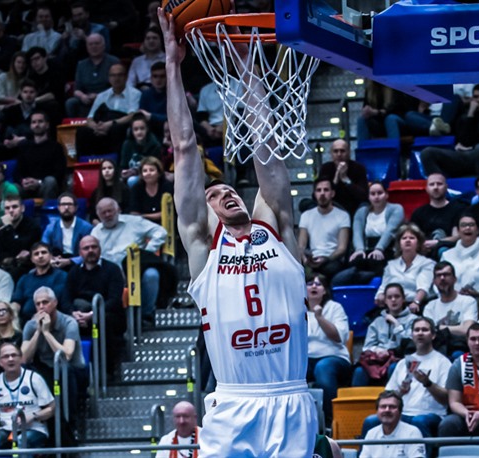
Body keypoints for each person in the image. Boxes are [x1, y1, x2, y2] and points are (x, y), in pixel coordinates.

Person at [160, 8, 317, 456]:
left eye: (231, 189)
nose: (225, 194)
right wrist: (173, 64)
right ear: (203, 215)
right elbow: (184, 147)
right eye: (214, 195)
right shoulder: (203, 249)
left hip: (291, 397)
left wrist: (249, 70)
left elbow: (265, 145)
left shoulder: (275, 225)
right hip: (231, 401)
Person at [361, 317, 450, 440]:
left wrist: (427, 383)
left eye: (424, 330)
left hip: (430, 414)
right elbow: (387, 395)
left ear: (433, 335)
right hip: (402, 413)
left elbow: (447, 398)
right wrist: (400, 392)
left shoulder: (443, 362)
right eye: (416, 330)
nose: (420, 333)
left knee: (419, 421)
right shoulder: (403, 363)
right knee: (371, 421)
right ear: (412, 335)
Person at [91, 197, 166, 324]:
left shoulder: (134, 222)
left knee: (152, 275)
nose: (107, 215)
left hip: (136, 269)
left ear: (118, 210)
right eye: (103, 213)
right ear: (98, 215)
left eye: (110, 211)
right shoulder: (96, 232)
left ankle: (146, 315)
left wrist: (146, 252)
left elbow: (161, 232)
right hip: (110, 275)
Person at [20, 286, 86, 420]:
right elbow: (24, 359)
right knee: (25, 371)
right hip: (46, 368)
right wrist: (38, 332)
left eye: (45, 302)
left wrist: (46, 332)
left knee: (63, 371)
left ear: (55, 302)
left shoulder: (69, 322)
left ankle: (69, 421)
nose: (41, 307)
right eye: (38, 304)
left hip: (72, 369)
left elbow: (66, 356)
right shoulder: (30, 325)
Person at [421, 83, 479, 177]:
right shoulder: (465, 116)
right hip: (465, 155)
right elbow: (464, 141)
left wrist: (474, 147)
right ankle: (439, 184)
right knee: (427, 152)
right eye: (476, 97)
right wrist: (470, 115)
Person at [66, 235, 125, 372]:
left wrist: (93, 314)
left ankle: (108, 371)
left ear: (100, 249)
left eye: (94, 247)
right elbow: (66, 298)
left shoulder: (112, 269)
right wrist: (74, 314)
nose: (90, 250)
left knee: (104, 322)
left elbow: (114, 300)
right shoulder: (74, 272)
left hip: (106, 314)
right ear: (80, 252)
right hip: (80, 314)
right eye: (86, 248)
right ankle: (77, 373)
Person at [0, 343, 55, 453]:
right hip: (7, 430)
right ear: (0, 362)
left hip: (34, 429)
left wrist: (33, 416)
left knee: (21, 441)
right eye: (6, 356)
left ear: (21, 358)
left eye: (14, 355)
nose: (10, 359)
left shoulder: (34, 379)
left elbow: (52, 408)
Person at [332, 181, 404, 286]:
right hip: (366, 248)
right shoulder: (362, 211)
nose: (376, 197)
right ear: (369, 197)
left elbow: (390, 231)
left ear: (386, 195)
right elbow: (357, 232)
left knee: (376, 260)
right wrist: (359, 249)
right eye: (373, 194)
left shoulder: (396, 209)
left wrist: (379, 249)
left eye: (380, 193)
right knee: (356, 261)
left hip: (387, 248)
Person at [306, 273, 350, 426]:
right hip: (306, 359)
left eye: (318, 284)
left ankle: (330, 421)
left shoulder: (334, 308)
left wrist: (319, 318)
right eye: (310, 283)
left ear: (325, 291)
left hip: (334, 357)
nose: (313, 286)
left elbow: (339, 337)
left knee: (323, 368)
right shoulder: (297, 310)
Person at [353, 283, 417, 386]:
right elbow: (367, 347)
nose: (393, 300)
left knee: (394, 368)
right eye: (389, 297)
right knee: (359, 371)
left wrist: (396, 324)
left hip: (399, 358)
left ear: (403, 299)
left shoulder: (413, 320)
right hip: (378, 359)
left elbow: (408, 345)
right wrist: (377, 351)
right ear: (385, 301)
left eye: (397, 296)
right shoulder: (378, 321)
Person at [75, 63, 141, 157]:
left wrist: (111, 124)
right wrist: (96, 127)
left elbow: (132, 115)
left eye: (120, 75)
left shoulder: (135, 94)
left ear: (126, 77)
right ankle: (84, 166)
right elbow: (89, 118)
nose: (116, 78)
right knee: (82, 131)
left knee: (117, 130)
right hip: (102, 126)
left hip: (120, 126)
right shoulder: (102, 96)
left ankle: (117, 166)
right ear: (109, 78)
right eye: (113, 75)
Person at [298, 177, 350, 282]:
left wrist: (326, 259)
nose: (322, 193)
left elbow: (342, 248)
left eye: (326, 190)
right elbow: (301, 245)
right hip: (312, 258)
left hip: (332, 259)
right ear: (315, 194)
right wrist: (305, 259)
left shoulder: (343, 215)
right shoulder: (306, 215)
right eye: (318, 190)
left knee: (331, 269)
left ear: (332, 193)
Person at [374, 223, 435, 312]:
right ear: (399, 244)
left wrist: (416, 302)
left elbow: (423, 287)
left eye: (412, 238)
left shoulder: (427, 263)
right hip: (393, 305)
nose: (408, 240)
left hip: (416, 305)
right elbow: (384, 286)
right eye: (404, 238)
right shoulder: (391, 265)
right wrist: (380, 295)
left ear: (418, 243)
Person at [441, 213, 479, 300]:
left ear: (477, 230)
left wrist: (478, 293)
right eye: (463, 225)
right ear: (458, 231)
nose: (467, 228)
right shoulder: (446, 255)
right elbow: (438, 284)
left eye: (471, 225)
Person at [423, 261, 478, 355]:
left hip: (461, 348)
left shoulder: (468, 301)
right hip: (437, 348)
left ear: (454, 279)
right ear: (434, 281)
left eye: (446, 274)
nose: (442, 278)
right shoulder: (430, 306)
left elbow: (467, 330)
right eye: (439, 275)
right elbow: (428, 333)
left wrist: (438, 327)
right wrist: (457, 328)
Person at [11, 242, 69, 325]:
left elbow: (56, 302)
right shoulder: (25, 279)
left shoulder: (61, 276)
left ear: (50, 256)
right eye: (36, 254)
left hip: (51, 320)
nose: (40, 256)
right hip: (25, 321)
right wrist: (13, 314)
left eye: (44, 252)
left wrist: (38, 317)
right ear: (32, 259)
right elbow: (16, 301)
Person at [410, 173, 466, 257]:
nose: (435, 187)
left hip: (452, 253)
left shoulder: (459, 209)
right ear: (426, 189)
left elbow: (459, 236)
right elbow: (412, 236)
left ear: (446, 187)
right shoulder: (418, 213)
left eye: (439, 184)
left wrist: (438, 242)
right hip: (424, 254)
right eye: (432, 184)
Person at [13, 111, 66, 199]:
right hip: (26, 188)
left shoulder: (56, 147)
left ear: (47, 125)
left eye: (40, 121)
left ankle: (47, 212)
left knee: (50, 181)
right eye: (34, 122)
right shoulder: (24, 146)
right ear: (30, 126)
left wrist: (39, 182)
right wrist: (23, 181)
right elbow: (17, 171)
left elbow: (59, 173)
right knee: (14, 187)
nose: (36, 125)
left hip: (44, 186)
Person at [65, 33, 119, 118]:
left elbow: (118, 87)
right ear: (87, 47)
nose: (94, 46)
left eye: (97, 43)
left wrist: (99, 96)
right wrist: (83, 96)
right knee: (71, 103)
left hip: (107, 98)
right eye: (90, 44)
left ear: (103, 45)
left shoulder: (114, 62)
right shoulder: (81, 64)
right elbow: (77, 90)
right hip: (87, 99)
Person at [359, 391, 425, 458]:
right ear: (377, 411)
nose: (387, 410)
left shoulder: (412, 432)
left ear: (400, 411)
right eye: (383, 406)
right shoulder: (371, 434)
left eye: (392, 407)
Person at [0, 194, 42, 281]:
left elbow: (20, 248)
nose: (11, 211)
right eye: (7, 208)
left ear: (22, 208)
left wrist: (9, 228)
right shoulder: (1, 231)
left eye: (14, 207)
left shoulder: (33, 226)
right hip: (6, 267)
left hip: (26, 268)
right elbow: (0, 255)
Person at [42, 192, 93, 270]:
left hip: (79, 265)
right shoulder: (51, 227)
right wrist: (51, 258)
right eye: (63, 204)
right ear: (58, 207)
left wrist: (70, 261)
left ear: (76, 208)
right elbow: (43, 247)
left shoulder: (86, 227)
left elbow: (90, 253)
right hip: (57, 262)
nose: (66, 207)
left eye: (69, 204)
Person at [317, 139, 368, 217]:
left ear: (349, 153)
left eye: (342, 151)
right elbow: (317, 195)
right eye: (336, 151)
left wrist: (346, 180)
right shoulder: (326, 168)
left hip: (353, 206)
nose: (339, 154)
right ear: (331, 154)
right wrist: (336, 178)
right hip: (332, 206)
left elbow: (364, 196)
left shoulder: (359, 168)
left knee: (364, 206)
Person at [120, 112, 162, 184]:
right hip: (129, 176)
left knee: (132, 180)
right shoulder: (127, 144)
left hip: (148, 177)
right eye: (136, 129)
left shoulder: (155, 145)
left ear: (147, 129)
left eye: (142, 128)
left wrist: (136, 171)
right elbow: (123, 166)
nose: (139, 132)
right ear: (131, 131)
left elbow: (155, 168)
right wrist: (124, 172)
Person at [130, 156, 173, 224]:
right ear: (141, 174)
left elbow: (168, 213)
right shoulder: (136, 188)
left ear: (159, 173)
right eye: (145, 171)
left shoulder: (167, 186)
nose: (148, 173)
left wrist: (144, 216)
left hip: (165, 224)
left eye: (152, 170)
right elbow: (134, 213)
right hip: (142, 225)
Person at [89, 159, 130, 224]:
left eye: (110, 168)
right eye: (104, 169)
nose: (107, 171)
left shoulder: (124, 189)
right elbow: (92, 217)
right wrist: (100, 225)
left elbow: (128, 212)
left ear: (115, 170)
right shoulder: (96, 193)